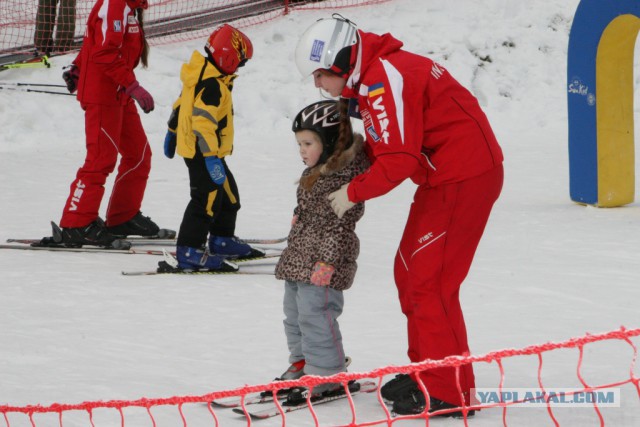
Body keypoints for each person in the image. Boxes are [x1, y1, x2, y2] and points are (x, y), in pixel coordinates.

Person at [294, 15, 504, 417]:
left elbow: (400, 161)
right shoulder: (377, 74)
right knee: (410, 274)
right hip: (445, 177)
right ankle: (430, 370)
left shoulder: (382, 78)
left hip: (464, 177)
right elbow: (396, 137)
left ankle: (449, 392)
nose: (318, 84)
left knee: (430, 283)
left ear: (341, 62)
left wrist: (350, 193)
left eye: (320, 75)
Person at [273, 100, 370, 403]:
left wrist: (327, 261)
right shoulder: (314, 171)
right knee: (294, 314)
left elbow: (339, 227)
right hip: (301, 255)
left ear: (329, 143)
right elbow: (310, 206)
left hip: (323, 262)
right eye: (299, 143)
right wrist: (298, 214)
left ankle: (327, 372)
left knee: (316, 315)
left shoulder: (344, 181)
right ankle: (303, 362)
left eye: (308, 142)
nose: (302, 149)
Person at [43, 0, 161, 248]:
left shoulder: (129, 6)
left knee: (138, 154)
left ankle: (122, 217)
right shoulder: (114, 4)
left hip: (119, 91)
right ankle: (76, 224)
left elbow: (95, 42)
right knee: (100, 159)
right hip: (103, 94)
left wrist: (77, 65)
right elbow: (104, 51)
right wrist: (132, 85)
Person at [164, 24, 263, 271]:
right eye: (240, 61)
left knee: (229, 196)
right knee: (205, 201)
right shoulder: (212, 85)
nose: (240, 67)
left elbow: (181, 104)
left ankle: (222, 239)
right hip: (202, 153)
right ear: (228, 57)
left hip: (210, 152)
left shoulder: (202, 74)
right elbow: (202, 124)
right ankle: (188, 249)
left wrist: (172, 130)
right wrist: (210, 158)